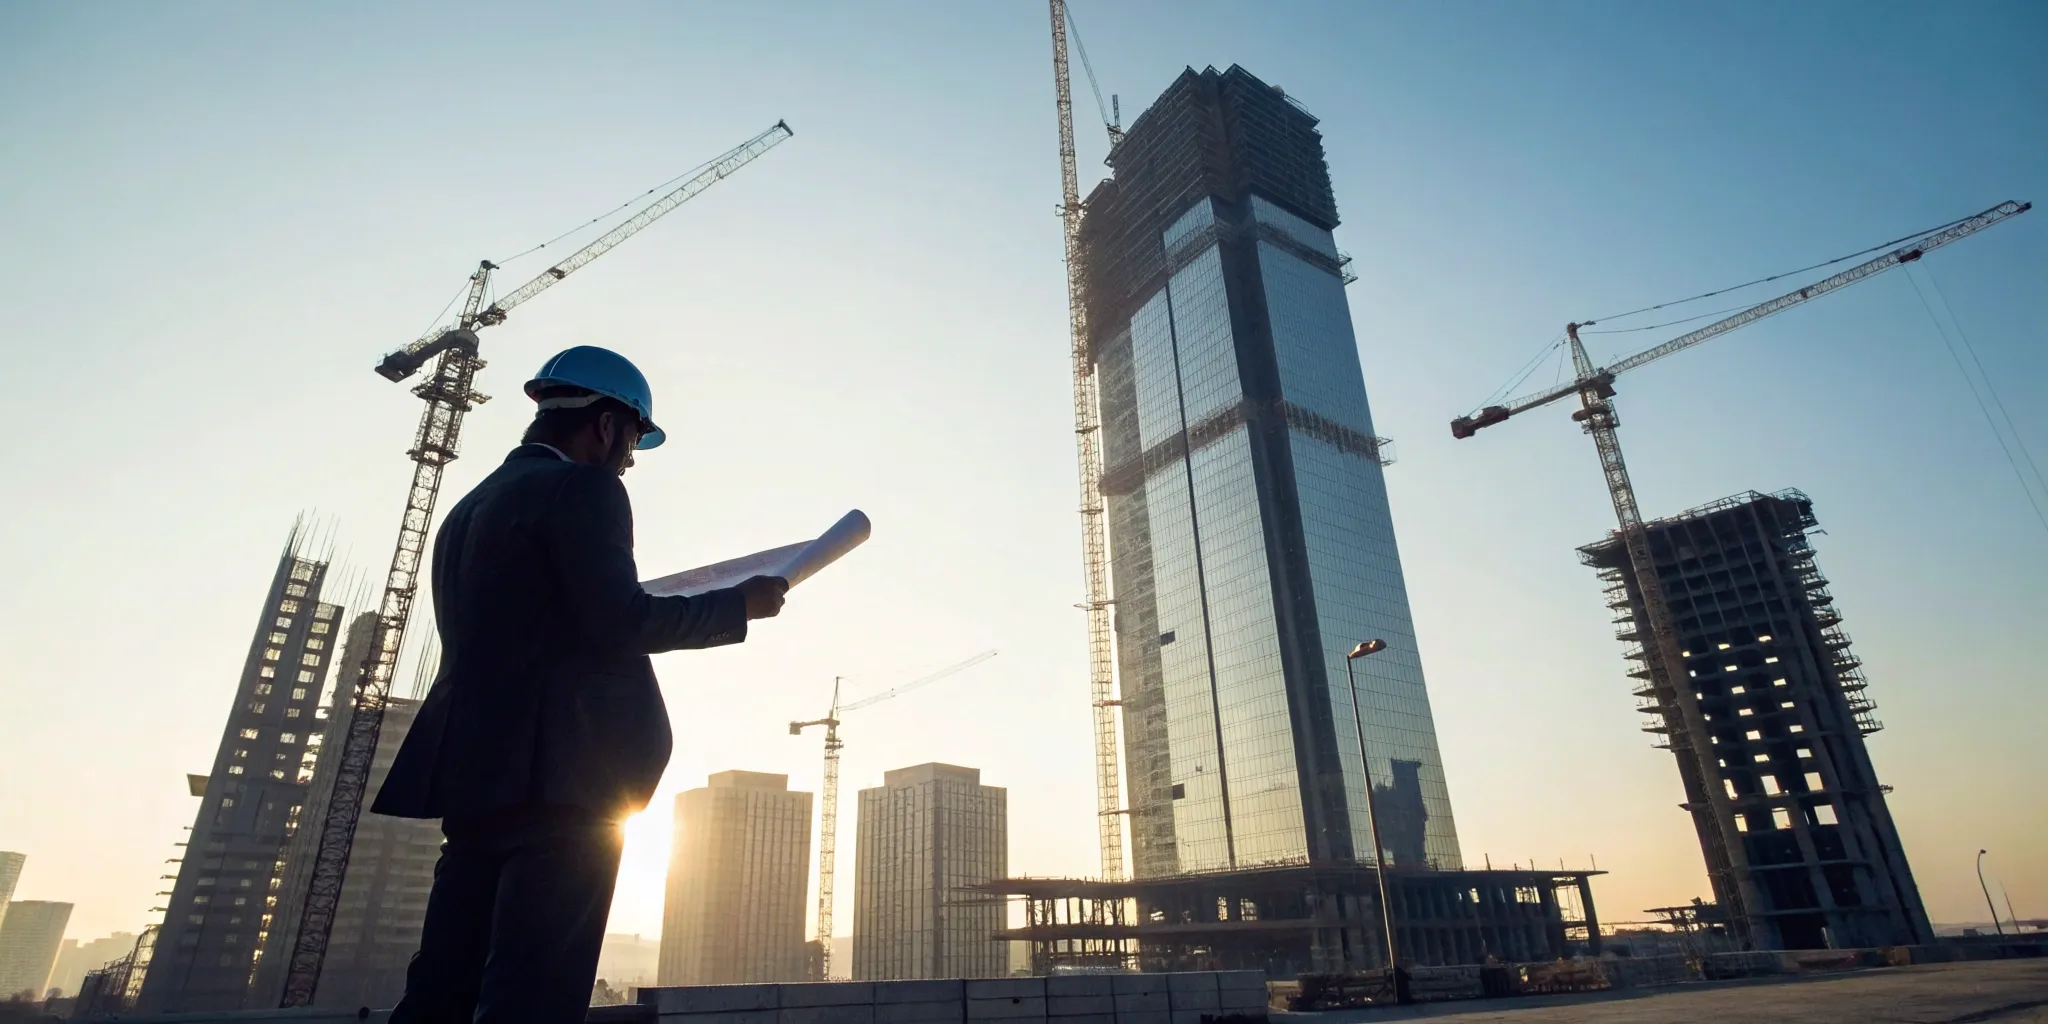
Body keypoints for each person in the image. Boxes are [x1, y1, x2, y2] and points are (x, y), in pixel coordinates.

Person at [372, 340, 787, 1023]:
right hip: (566, 783)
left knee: (444, 987)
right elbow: (620, 623)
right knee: (534, 993)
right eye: (630, 442)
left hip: (479, 780)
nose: (628, 460)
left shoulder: (469, 508)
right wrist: (738, 605)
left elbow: (543, 626)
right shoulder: (588, 488)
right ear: (605, 425)